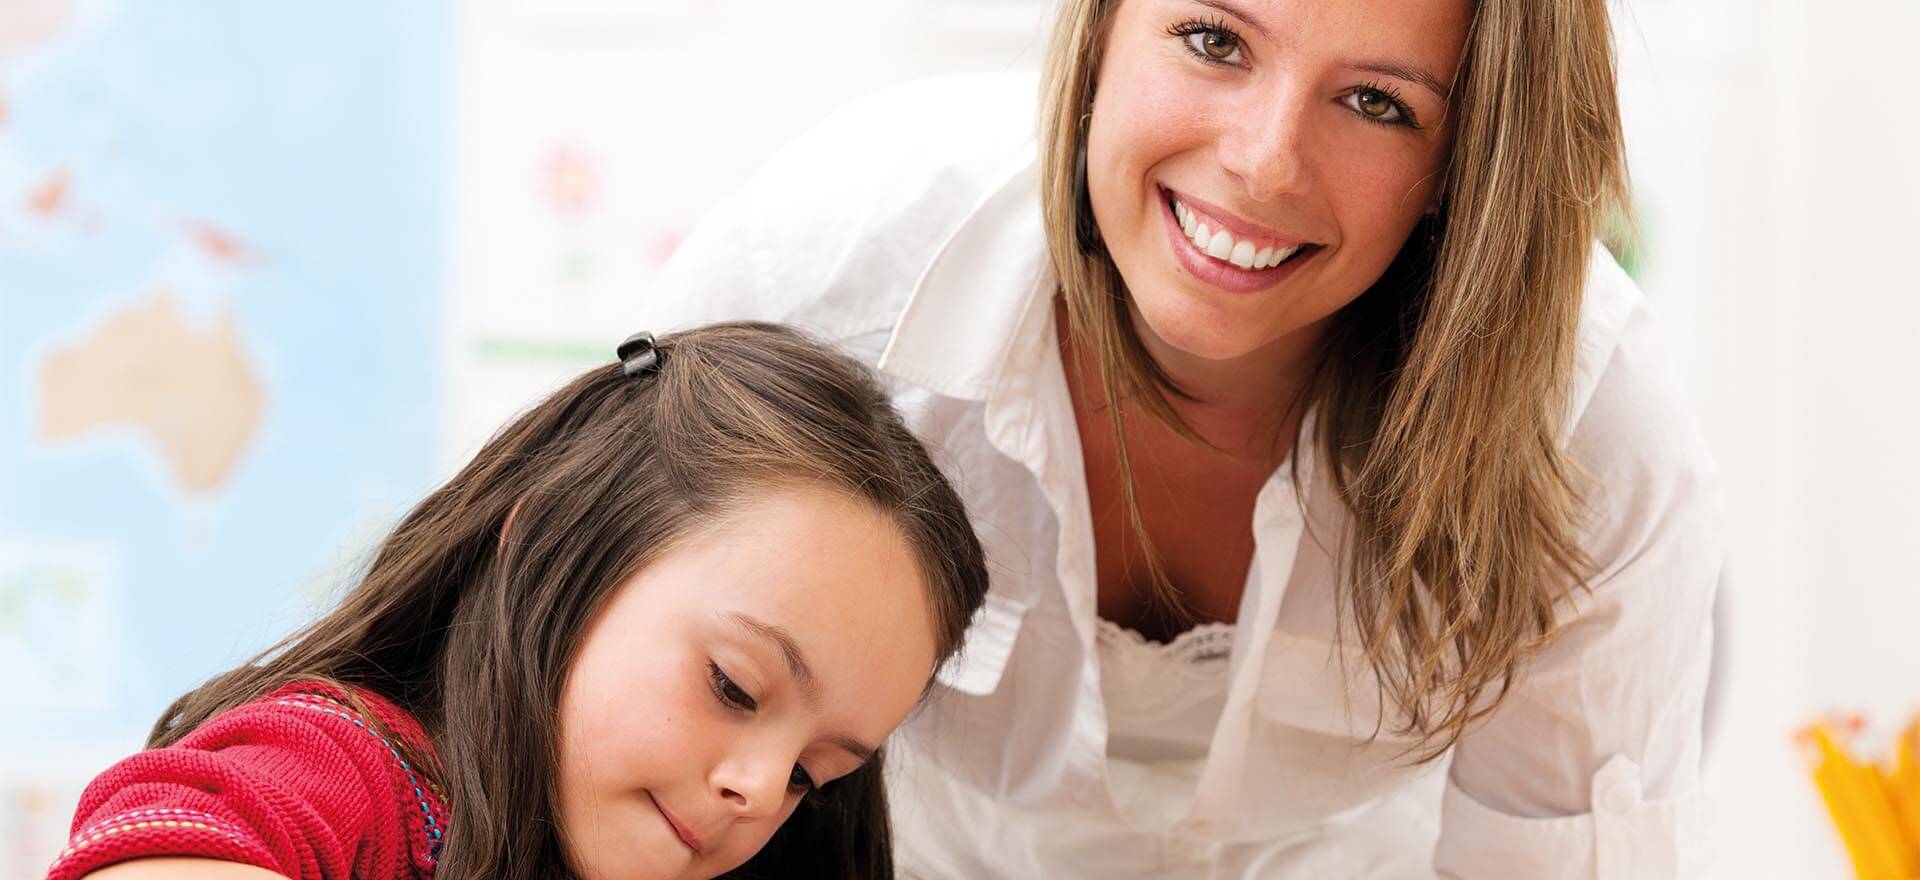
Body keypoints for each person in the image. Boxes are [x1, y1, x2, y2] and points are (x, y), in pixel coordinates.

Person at [641, 0, 1723, 876]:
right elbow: (585, 689)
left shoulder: (1589, 428)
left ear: (1464, 166)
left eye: (1376, 102)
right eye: (1214, 41)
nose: (1265, 161)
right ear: (1102, 31)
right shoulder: (824, 271)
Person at [47, 322, 990, 880]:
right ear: (549, 541)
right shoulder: (356, 770)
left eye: (809, 777)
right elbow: (176, 840)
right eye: (733, 687)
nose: (756, 790)